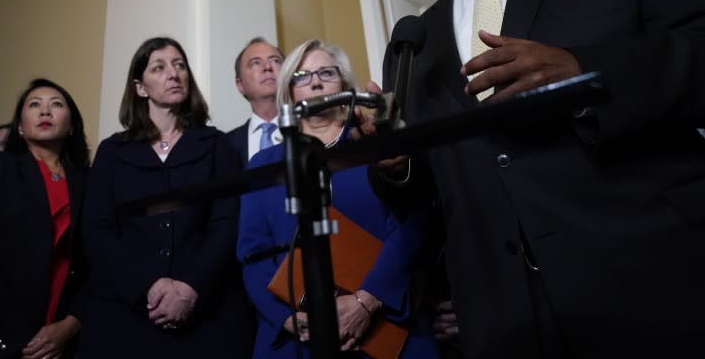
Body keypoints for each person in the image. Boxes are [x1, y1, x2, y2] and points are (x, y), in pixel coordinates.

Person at [370, 0, 705, 358]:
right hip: (506, 321)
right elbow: (427, 201)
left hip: (655, 281)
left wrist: (583, 72)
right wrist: (396, 168)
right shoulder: (412, 45)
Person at [237, 39, 439, 359]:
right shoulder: (263, 164)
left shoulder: (375, 144)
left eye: (327, 73)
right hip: (295, 339)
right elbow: (253, 255)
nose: (315, 81)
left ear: (345, 85)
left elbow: (413, 224)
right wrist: (287, 318)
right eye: (302, 75)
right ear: (288, 91)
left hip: (385, 327)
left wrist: (366, 301)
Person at [81, 37, 253, 357]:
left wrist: (191, 287)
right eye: (158, 67)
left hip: (208, 312)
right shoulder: (112, 151)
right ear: (140, 87)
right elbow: (96, 231)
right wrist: (148, 286)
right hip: (127, 314)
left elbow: (226, 223)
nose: (173, 74)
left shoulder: (216, 144)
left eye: (180, 65)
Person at [0, 78, 89, 358]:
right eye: (34, 104)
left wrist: (72, 323)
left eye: (56, 104)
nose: (45, 111)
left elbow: (96, 262)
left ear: (72, 124)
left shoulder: (88, 181)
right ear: (19, 126)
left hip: (64, 329)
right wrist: (19, 335)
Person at [227, 37, 285, 163]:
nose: (267, 67)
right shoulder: (225, 145)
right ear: (240, 85)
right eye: (255, 63)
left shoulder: (309, 131)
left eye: (275, 61)